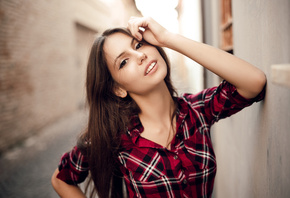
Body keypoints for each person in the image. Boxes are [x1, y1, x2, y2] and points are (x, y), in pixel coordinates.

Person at [51, 17, 266, 198]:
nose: (140, 55)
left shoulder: (196, 111)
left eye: (138, 45)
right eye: (123, 62)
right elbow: (61, 180)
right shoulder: (115, 136)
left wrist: (167, 38)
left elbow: (253, 82)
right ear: (117, 89)